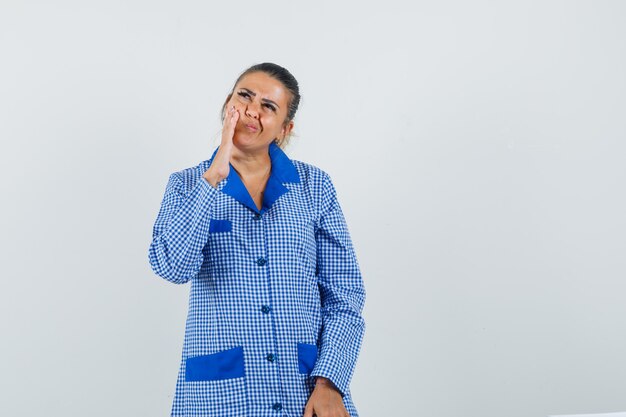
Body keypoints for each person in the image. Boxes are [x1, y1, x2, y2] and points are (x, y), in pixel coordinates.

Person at [148, 62, 366, 417]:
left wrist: (330, 383)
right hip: (221, 396)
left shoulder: (315, 187)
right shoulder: (187, 185)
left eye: (269, 106)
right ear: (227, 104)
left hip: (306, 391)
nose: (252, 110)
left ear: (285, 128)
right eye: (244, 96)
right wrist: (214, 176)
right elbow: (173, 267)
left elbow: (344, 295)